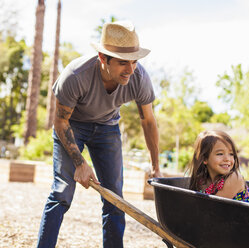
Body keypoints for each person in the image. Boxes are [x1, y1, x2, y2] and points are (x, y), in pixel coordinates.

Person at [37, 21, 162, 248]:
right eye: (123, 63)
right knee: (61, 193)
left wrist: (155, 165)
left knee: (115, 200)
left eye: (135, 62)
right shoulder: (76, 75)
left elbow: (149, 121)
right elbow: (60, 121)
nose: (131, 69)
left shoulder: (139, 77)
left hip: (107, 127)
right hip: (72, 126)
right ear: (103, 58)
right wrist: (80, 162)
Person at [187, 130, 249, 204]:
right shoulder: (202, 181)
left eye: (231, 154)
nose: (227, 159)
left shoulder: (234, 178)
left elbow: (211, 208)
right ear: (205, 159)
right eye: (220, 154)